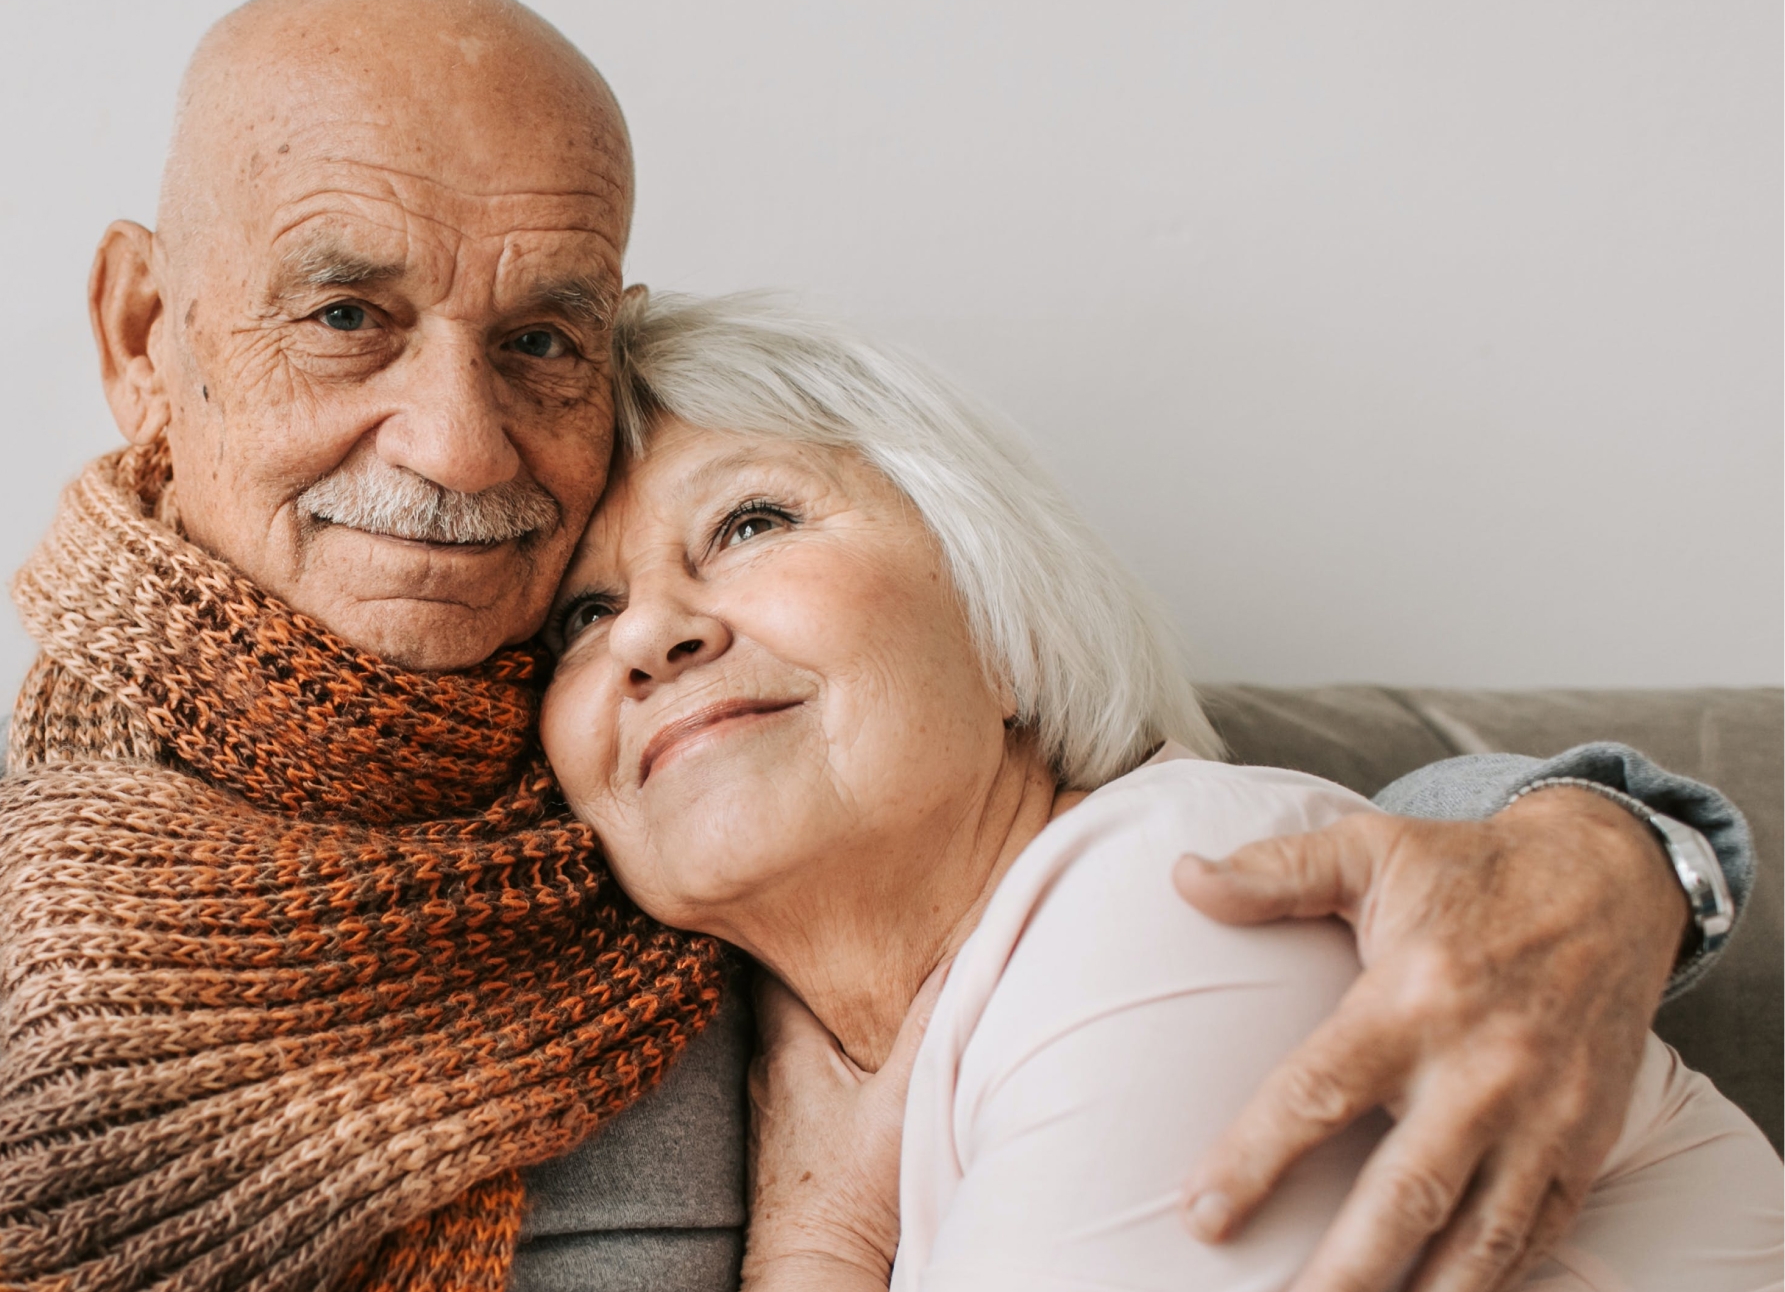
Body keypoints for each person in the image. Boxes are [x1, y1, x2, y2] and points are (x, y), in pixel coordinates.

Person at [0, 0, 1756, 1292]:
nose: (461, 444)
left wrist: (1599, 852)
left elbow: (1206, 856)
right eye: (346, 313)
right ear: (137, 334)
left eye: (547, 338)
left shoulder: (692, 823)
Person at [538, 290, 1780, 1291]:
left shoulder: (1179, 895)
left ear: (1001, 618)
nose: (649, 633)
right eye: (584, 615)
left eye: (752, 522)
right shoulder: (901, 1056)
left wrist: (814, 1252)